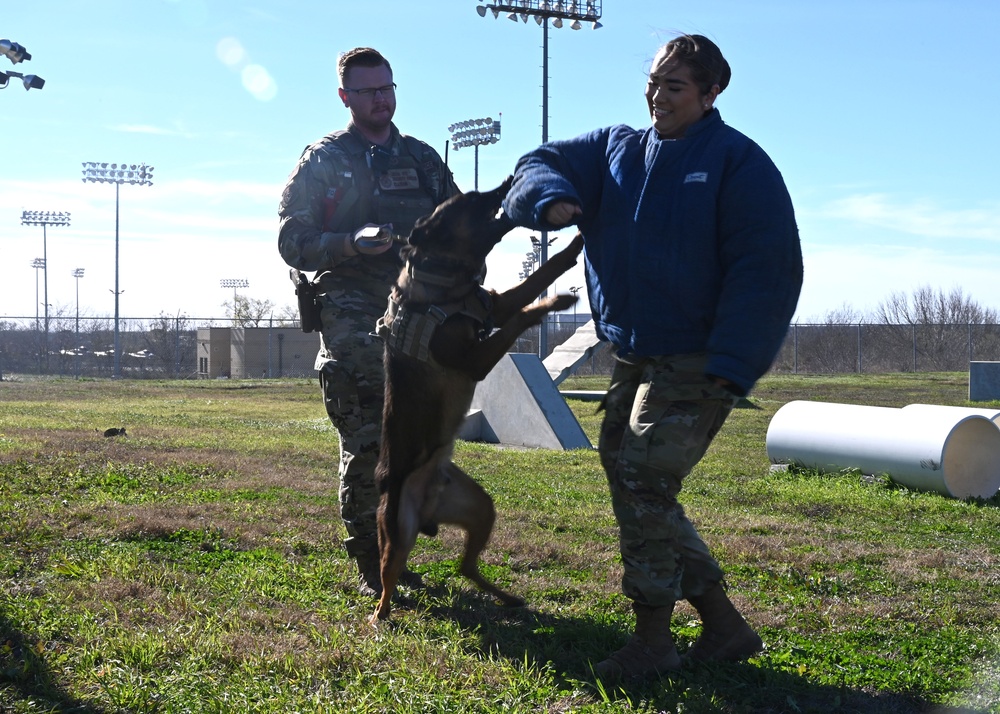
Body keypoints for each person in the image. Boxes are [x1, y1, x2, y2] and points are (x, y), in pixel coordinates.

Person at [503, 34, 803, 680]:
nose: (657, 97)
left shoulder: (737, 163)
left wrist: (732, 363)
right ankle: (723, 627)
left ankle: (653, 639)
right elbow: (539, 159)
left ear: (710, 93)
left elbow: (767, 269)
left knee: (642, 480)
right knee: (640, 485)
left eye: (675, 87)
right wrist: (550, 199)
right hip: (634, 354)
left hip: (700, 360)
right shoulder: (619, 150)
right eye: (654, 81)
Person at [278, 47, 460, 596]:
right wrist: (348, 244)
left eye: (387, 88)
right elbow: (292, 240)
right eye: (367, 91)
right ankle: (370, 558)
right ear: (345, 98)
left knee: (419, 439)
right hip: (351, 311)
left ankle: (396, 543)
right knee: (371, 432)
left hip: (417, 313)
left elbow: (457, 226)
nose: (380, 99)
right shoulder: (324, 161)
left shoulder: (422, 160)